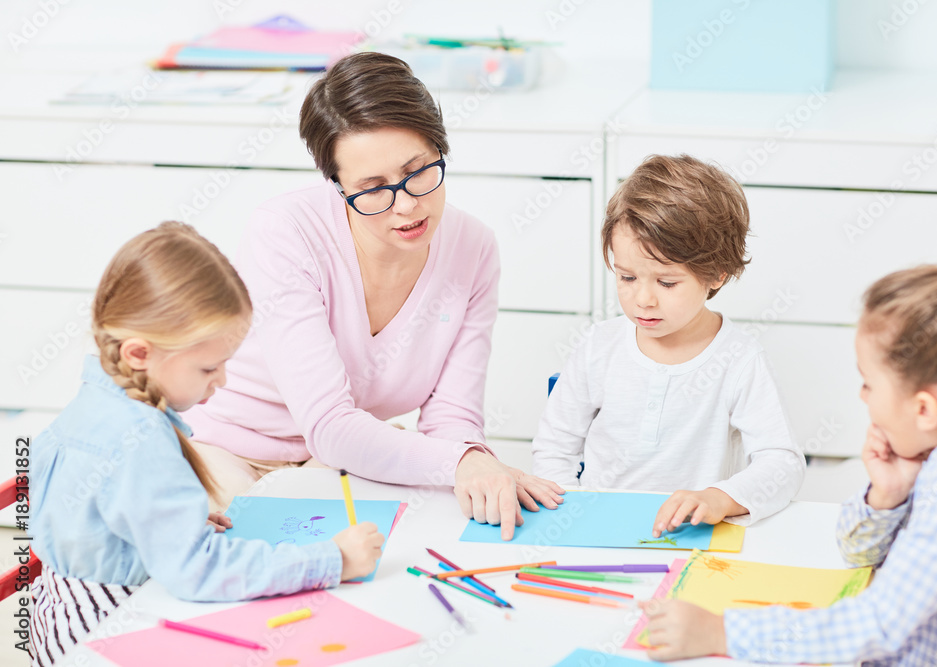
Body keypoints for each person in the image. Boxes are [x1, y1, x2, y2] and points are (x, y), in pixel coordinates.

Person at [184, 52, 562, 539]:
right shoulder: (285, 232)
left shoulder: (474, 248)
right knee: (242, 554)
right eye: (372, 188)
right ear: (337, 187)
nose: (406, 205)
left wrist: (474, 462)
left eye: (418, 170)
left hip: (340, 462)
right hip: (227, 451)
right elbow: (329, 424)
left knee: (407, 550)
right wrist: (461, 461)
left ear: (439, 147)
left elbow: (452, 418)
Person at [640, 223, 937, 665]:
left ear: (924, 409)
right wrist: (886, 496)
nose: (862, 397)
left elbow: (879, 625)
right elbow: (856, 552)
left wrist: (722, 631)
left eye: (868, 384)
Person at [28, 223, 384, 667]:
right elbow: (198, 571)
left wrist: (164, 523)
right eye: (208, 368)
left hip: (58, 620)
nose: (222, 381)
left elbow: (87, 516)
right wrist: (332, 559)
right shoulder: (138, 439)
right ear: (140, 354)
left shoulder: (93, 402)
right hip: (111, 633)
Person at [532, 154, 804, 531]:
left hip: (692, 536)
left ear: (716, 275)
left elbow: (783, 464)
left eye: (666, 282)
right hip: (593, 528)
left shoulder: (739, 358)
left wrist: (719, 498)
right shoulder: (599, 345)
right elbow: (555, 446)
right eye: (627, 277)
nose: (643, 299)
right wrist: (569, 508)